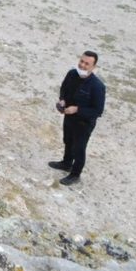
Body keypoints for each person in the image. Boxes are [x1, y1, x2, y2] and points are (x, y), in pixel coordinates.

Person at [49, 51, 106, 186]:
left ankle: (75, 174)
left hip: (83, 123)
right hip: (69, 117)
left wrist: (78, 110)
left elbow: (98, 111)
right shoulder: (72, 74)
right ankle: (66, 163)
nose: (83, 65)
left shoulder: (97, 86)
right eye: (81, 61)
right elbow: (64, 88)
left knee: (79, 148)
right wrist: (62, 100)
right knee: (67, 140)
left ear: (94, 67)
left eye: (87, 63)